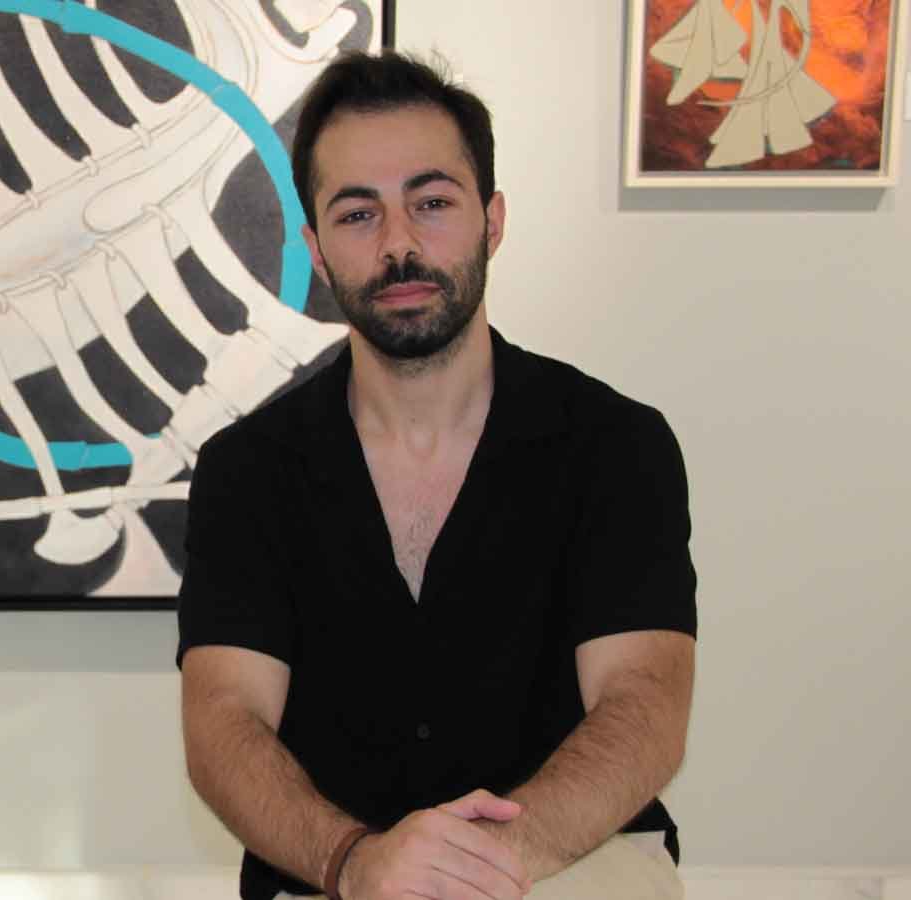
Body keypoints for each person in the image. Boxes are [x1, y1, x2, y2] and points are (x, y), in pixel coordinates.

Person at [176, 52, 697, 900]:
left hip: (571, 860)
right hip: (331, 871)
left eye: (432, 202)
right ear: (316, 252)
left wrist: (479, 868)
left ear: (493, 220)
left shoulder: (616, 445)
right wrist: (355, 863)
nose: (399, 244)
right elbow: (223, 722)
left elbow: (645, 705)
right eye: (358, 214)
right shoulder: (248, 472)